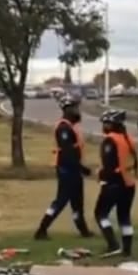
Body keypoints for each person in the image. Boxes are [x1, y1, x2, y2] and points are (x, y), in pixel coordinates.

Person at [34, 94, 94, 240]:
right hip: (67, 170)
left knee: (77, 202)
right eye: (74, 108)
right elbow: (67, 153)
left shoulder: (71, 127)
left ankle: (83, 231)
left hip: (73, 169)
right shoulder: (63, 128)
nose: (77, 111)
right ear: (67, 109)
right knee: (61, 201)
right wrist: (82, 168)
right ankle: (41, 230)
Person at [95, 109, 138, 256]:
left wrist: (102, 178)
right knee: (124, 216)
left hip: (114, 182)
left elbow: (109, 164)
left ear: (113, 124)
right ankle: (127, 249)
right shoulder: (128, 139)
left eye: (106, 123)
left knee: (100, 214)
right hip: (129, 183)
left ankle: (112, 244)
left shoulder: (110, 140)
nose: (104, 126)